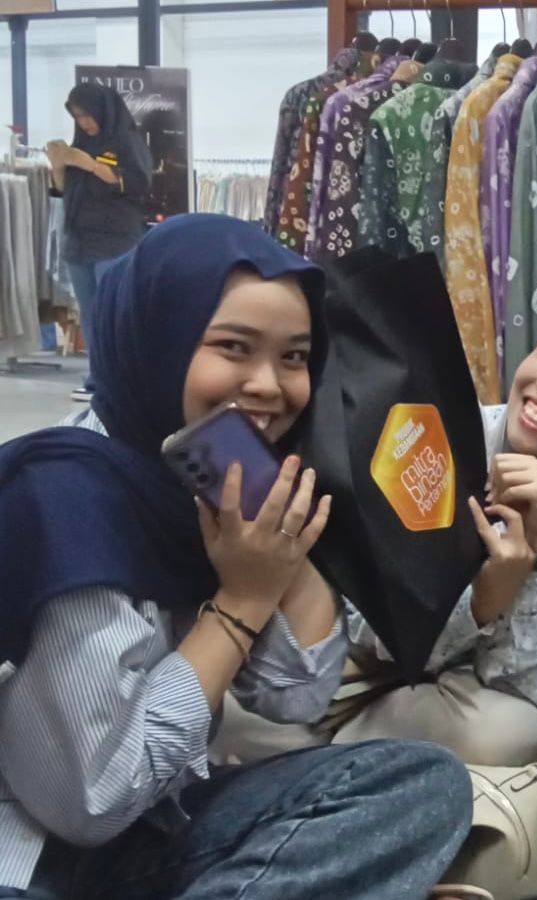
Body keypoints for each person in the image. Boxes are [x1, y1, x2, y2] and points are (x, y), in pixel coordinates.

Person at [0, 214, 472, 899]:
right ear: (157, 338)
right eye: (233, 347)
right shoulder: (69, 504)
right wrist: (241, 603)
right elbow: (90, 802)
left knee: (425, 786)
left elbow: (295, 696)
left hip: (154, 821)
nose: (269, 385)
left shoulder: (201, 481)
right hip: (36, 852)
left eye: (294, 357)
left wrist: (284, 552)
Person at [213, 301, 537, 768]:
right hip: (350, 670)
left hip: (449, 704)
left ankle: (325, 766)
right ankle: (345, 766)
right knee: (230, 705)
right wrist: (479, 603)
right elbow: (364, 620)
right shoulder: (444, 429)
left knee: (516, 731)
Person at [46, 83, 152, 403]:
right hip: (79, 241)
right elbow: (63, 192)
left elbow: (138, 184)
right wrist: (59, 167)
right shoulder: (81, 143)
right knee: (91, 314)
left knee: (114, 313)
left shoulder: (127, 141)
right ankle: (98, 378)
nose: (85, 123)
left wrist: (92, 165)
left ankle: (123, 381)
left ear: (102, 110)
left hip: (115, 240)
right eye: (78, 117)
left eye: (88, 115)